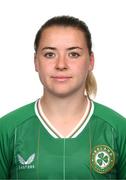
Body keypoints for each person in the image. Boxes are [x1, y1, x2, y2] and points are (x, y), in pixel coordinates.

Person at [0, 15, 126, 179]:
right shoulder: (7, 129)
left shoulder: (118, 129)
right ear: (36, 62)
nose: (61, 65)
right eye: (49, 54)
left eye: (73, 54)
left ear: (91, 61)